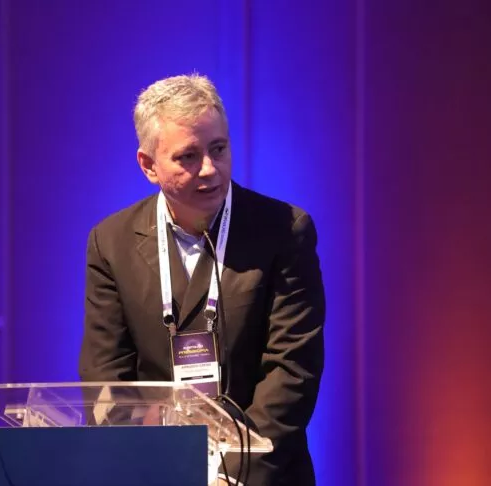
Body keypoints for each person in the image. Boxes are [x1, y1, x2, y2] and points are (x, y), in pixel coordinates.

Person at [78, 73, 326, 486]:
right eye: (188, 157)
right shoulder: (111, 242)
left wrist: (229, 474)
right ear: (148, 165)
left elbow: (292, 371)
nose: (210, 169)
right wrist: (140, 465)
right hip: (157, 475)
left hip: (259, 475)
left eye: (218, 149)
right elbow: (106, 377)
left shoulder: (284, 230)